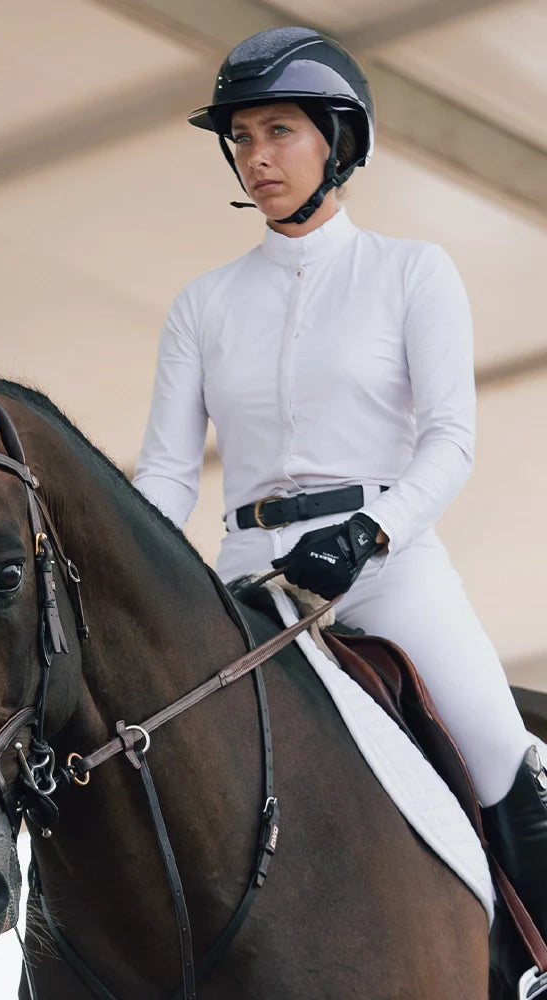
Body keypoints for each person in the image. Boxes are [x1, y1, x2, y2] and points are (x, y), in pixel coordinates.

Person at [132, 25, 547, 939]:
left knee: (493, 743)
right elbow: (165, 473)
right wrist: (144, 580)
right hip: (249, 572)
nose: (255, 157)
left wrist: (372, 536)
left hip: (387, 563)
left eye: (277, 130)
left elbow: (450, 439)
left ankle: (536, 956)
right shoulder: (204, 302)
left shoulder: (410, 272)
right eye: (240, 138)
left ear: (337, 140)